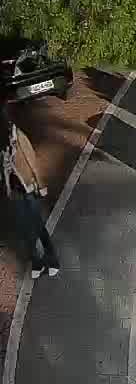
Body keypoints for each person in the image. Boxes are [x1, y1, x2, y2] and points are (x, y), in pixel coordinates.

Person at [2, 105, 58, 279]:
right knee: (24, 227)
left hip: (29, 187)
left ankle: (52, 259)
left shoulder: (17, 137)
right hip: (14, 191)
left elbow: (32, 161)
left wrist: (40, 184)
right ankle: (36, 261)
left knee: (37, 224)